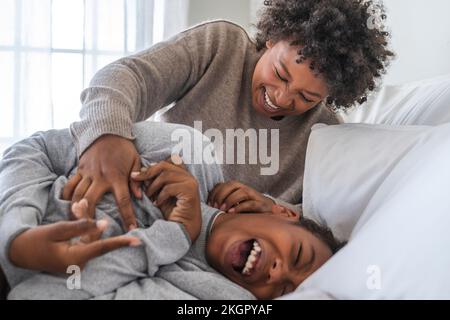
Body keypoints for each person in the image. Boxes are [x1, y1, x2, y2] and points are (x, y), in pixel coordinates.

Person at [67, 0, 394, 230]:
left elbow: (321, 222)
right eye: (280, 74)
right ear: (272, 38)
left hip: (208, 246)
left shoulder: (325, 134)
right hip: (144, 199)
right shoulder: (220, 46)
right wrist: (108, 135)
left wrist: (273, 208)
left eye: (307, 97)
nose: (281, 98)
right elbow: (128, 76)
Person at [0, 122, 343, 300]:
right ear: (283, 213)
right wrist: (16, 234)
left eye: (285, 292)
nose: (277, 273)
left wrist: (175, 235)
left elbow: (32, 294)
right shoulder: (189, 149)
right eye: (298, 255)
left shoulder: (212, 297)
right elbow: (37, 149)